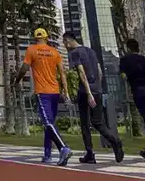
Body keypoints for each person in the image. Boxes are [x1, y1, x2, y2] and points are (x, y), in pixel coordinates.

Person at [13, 28, 73, 166]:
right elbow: (62, 73)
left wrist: (16, 81)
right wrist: (66, 91)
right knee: (49, 123)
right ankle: (47, 155)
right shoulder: (54, 52)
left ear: (35, 38)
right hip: (55, 92)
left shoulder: (32, 50)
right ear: (47, 38)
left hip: (42, 92)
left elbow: (24, 68)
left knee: (48, 123)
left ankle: (63, 147)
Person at [61, 31, 124, 165]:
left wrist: (89, 93)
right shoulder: (90, 51)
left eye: (64, 42)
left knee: (85, 124)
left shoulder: (74, 53)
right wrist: (97, 88)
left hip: (85, 92)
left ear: (68, 40)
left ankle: (90, 154)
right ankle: (115, 141)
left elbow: (82, 73)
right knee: (97, 122)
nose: (64, 46)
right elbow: (99, 70)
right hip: (97, 90)